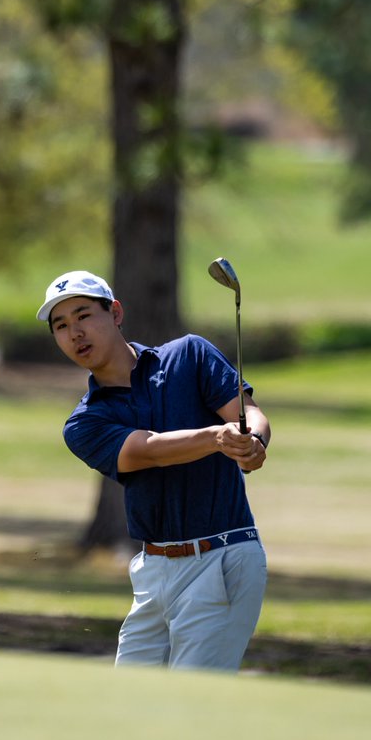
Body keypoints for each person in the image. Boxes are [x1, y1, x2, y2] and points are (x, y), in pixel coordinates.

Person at [38, 270, 270, 672]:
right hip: (154, 572)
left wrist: (254, 443)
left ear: (115, 313)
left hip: (223, 556)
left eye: (83, 316)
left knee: (192, 707)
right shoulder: (84, 424)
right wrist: (217, 437)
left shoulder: (190, 355)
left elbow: (248, 414)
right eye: (61, 326)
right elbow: (148, 452)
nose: (75, 332)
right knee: (132, 710)